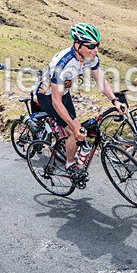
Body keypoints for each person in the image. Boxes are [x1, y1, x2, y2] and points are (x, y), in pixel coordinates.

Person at [35, 23, 125, 179]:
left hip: (65, 94)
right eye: (91, 46)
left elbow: (101, 81)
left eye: (97, 45)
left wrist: (115, 100)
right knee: (75, 133)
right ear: (77, 45)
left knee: (78, 132)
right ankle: (70, 165)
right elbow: (56, 102)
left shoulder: (90, 58)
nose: (95, 49)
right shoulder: (62, 63)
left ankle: (67, 147)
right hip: (49, 96)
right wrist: (72, 126)